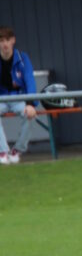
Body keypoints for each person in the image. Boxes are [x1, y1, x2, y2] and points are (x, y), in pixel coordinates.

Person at [0, 25, 40, 165]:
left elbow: (30, 80)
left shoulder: (22, 58)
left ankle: (17, 150)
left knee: (30, 114)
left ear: (13, 40)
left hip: (19, 97)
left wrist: (30, 104)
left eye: (7, 40)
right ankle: (3, 151)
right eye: (1, 40)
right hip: (1, 99)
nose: (5, 44)